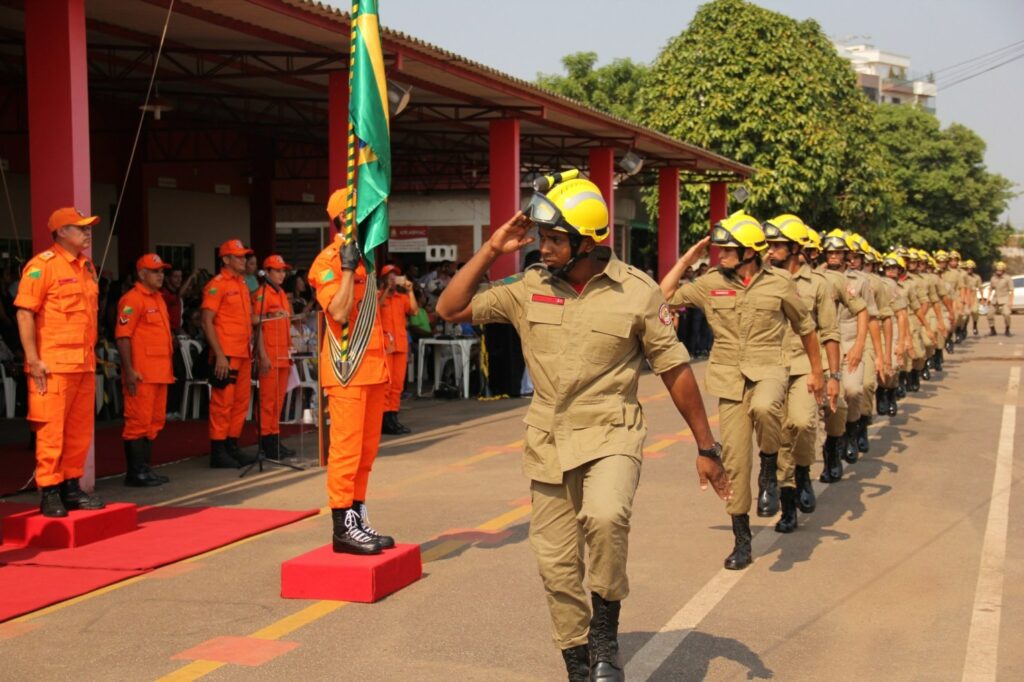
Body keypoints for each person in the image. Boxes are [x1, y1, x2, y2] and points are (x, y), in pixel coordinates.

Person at [437, 170, 730, 682]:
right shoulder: (528, 287)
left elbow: (675, 369)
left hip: (612, 431)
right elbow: (450, 307)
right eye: (542, 237)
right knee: (555, 565)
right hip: (548, 439)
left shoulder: (637, 291)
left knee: (606, 516)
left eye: (555, 239)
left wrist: (706, 446)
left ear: (587, 243)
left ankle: (604, 633)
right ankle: (577, 661)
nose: (543, 248)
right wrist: (492, 248)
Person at [662, 211, 822, 570]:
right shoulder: (710, 282)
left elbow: (806, 327)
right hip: (729, 378)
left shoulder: (780, 282)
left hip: (770, 367)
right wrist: (687, 258)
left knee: (766, 408)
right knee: (734, 461)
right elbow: (663, 295)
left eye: (728, 249)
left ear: (749, 251)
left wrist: (817, 372)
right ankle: (742, 541)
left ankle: (769, 470)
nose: (720, 255)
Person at [309, 188, 395, 556]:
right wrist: (346, 270)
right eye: (362, 211)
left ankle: (357, 516)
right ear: (343, 218)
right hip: (347, 369)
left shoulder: (367, 261)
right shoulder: (328, 262)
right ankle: (342, 527)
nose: (370, 216)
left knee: (365, 453)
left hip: (373, 368)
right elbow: (340, 312)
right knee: (345, 452)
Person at [14, 207, 105, 517]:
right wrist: (33, 359)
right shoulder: (42, 266)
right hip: (53, 366)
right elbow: (24, 314)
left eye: (88, 228)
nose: (88, 233)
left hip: (83, 364)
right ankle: (50, 491)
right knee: (51, 431)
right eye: (81, 228)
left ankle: (71, 487)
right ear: (62, 232)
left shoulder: (86, 266)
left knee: (79, 432)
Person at [761, 215, 840, 533]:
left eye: (777, 244)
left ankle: (804, 470)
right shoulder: (762, 280)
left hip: (806, 366)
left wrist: (832, 377)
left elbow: (830, 332)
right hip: (770, 367)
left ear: (795, 248)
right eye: (768, 244)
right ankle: (788, 505)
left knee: (803, 423)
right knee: (780, 438)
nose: (770, 249)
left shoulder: (818, 284)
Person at [115, 253, 174, 487]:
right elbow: (122, 337)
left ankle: (144, 469)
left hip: (160, 373)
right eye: (155, 271)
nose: (161, 275)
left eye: (162, 271)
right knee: (137, 423)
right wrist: (129, 370)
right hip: (141, 374)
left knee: (154, 422)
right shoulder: (132, 299)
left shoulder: (158, 299)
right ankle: (136, 472)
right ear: (142, 274)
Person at [201, 239, 258, 468]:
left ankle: (232, 445)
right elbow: (207, 321)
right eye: (238, 256)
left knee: (240, 402)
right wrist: (219, 355)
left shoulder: (242, 284)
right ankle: (218, 450)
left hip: (243, 352)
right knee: (223, 402)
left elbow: (247, 319)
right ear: (225, 259)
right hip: (227, 354)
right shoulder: (217, 285)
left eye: (244, 256)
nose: (243, 260)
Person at [254, 254, 296, 460]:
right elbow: (256, 324)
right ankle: (266, 441)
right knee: (267, 401)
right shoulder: (263, 294)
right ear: (267, 272)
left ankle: (274, 438)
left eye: (283, 271)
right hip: (270, 354)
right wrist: (262, 355)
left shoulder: (281, 294)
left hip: (283, 354)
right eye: (278, 271)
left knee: (278, 401)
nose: (282, 274)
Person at [378, 264, 418, 435]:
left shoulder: (401, 298)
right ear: (383, 279)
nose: (393, 279)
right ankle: (384, 419)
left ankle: (393, 417)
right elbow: (375, 309)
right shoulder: (379, 296)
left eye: (395, 276)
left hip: (400, 345)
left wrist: (410, 291)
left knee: (397, 384)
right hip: (386, 346)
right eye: (390, 276)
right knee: (386, 385)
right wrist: (387, 289)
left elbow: (414, 311)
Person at [985, 261, 1014, 336]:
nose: (998, 271)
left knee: (1007, 314)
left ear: (1003, 270)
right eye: (997, 270)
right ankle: (992, 330)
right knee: (989, 314)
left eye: (1000, 270)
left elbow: (1011, 291)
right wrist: (988, 299)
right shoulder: (993, 278)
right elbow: (991, 289)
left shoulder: (1007, 278)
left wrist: (1011, 302)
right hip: (995, 299)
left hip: (1005, 298)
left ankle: (1007, 329)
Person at [963, 259, 982, 336]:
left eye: (971, 268)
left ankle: (975, 325)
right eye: (968, 268)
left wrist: (982, 298)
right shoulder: (963, 276)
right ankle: (964, 327)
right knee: (966, 314)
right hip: (965, 296)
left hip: (973, 296)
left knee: (975, 311)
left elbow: (980, 287)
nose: (969, 270)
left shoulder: (977, 277)